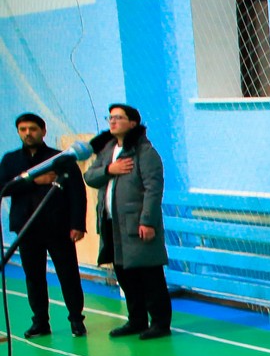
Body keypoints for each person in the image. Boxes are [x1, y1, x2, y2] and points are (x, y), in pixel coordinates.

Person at [82, 104, 171, 339]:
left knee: (149, 275)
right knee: (124, 274)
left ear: (132, 123)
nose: (112, 121)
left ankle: (160, 323)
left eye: (118, 117)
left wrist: (147, 221)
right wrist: (109, 170)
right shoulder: (108, 150)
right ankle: (136, 320)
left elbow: (153, 189)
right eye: (110, 117)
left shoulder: (144, 152)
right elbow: (90, 176)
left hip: (136, 224)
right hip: (112, 224)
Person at [1, 113, 87, 337]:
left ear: (43, 131)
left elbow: (77, 193)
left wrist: (77, 224)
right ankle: (40, 321)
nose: (28, 133)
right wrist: (34, 181)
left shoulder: (60, 159)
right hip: (26, 228)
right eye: (23, 129)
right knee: (34, 277)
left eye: (32, 129)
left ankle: (76, 319)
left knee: (68, 274)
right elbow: (4, 187)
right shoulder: (11, 160)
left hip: (58, 227)